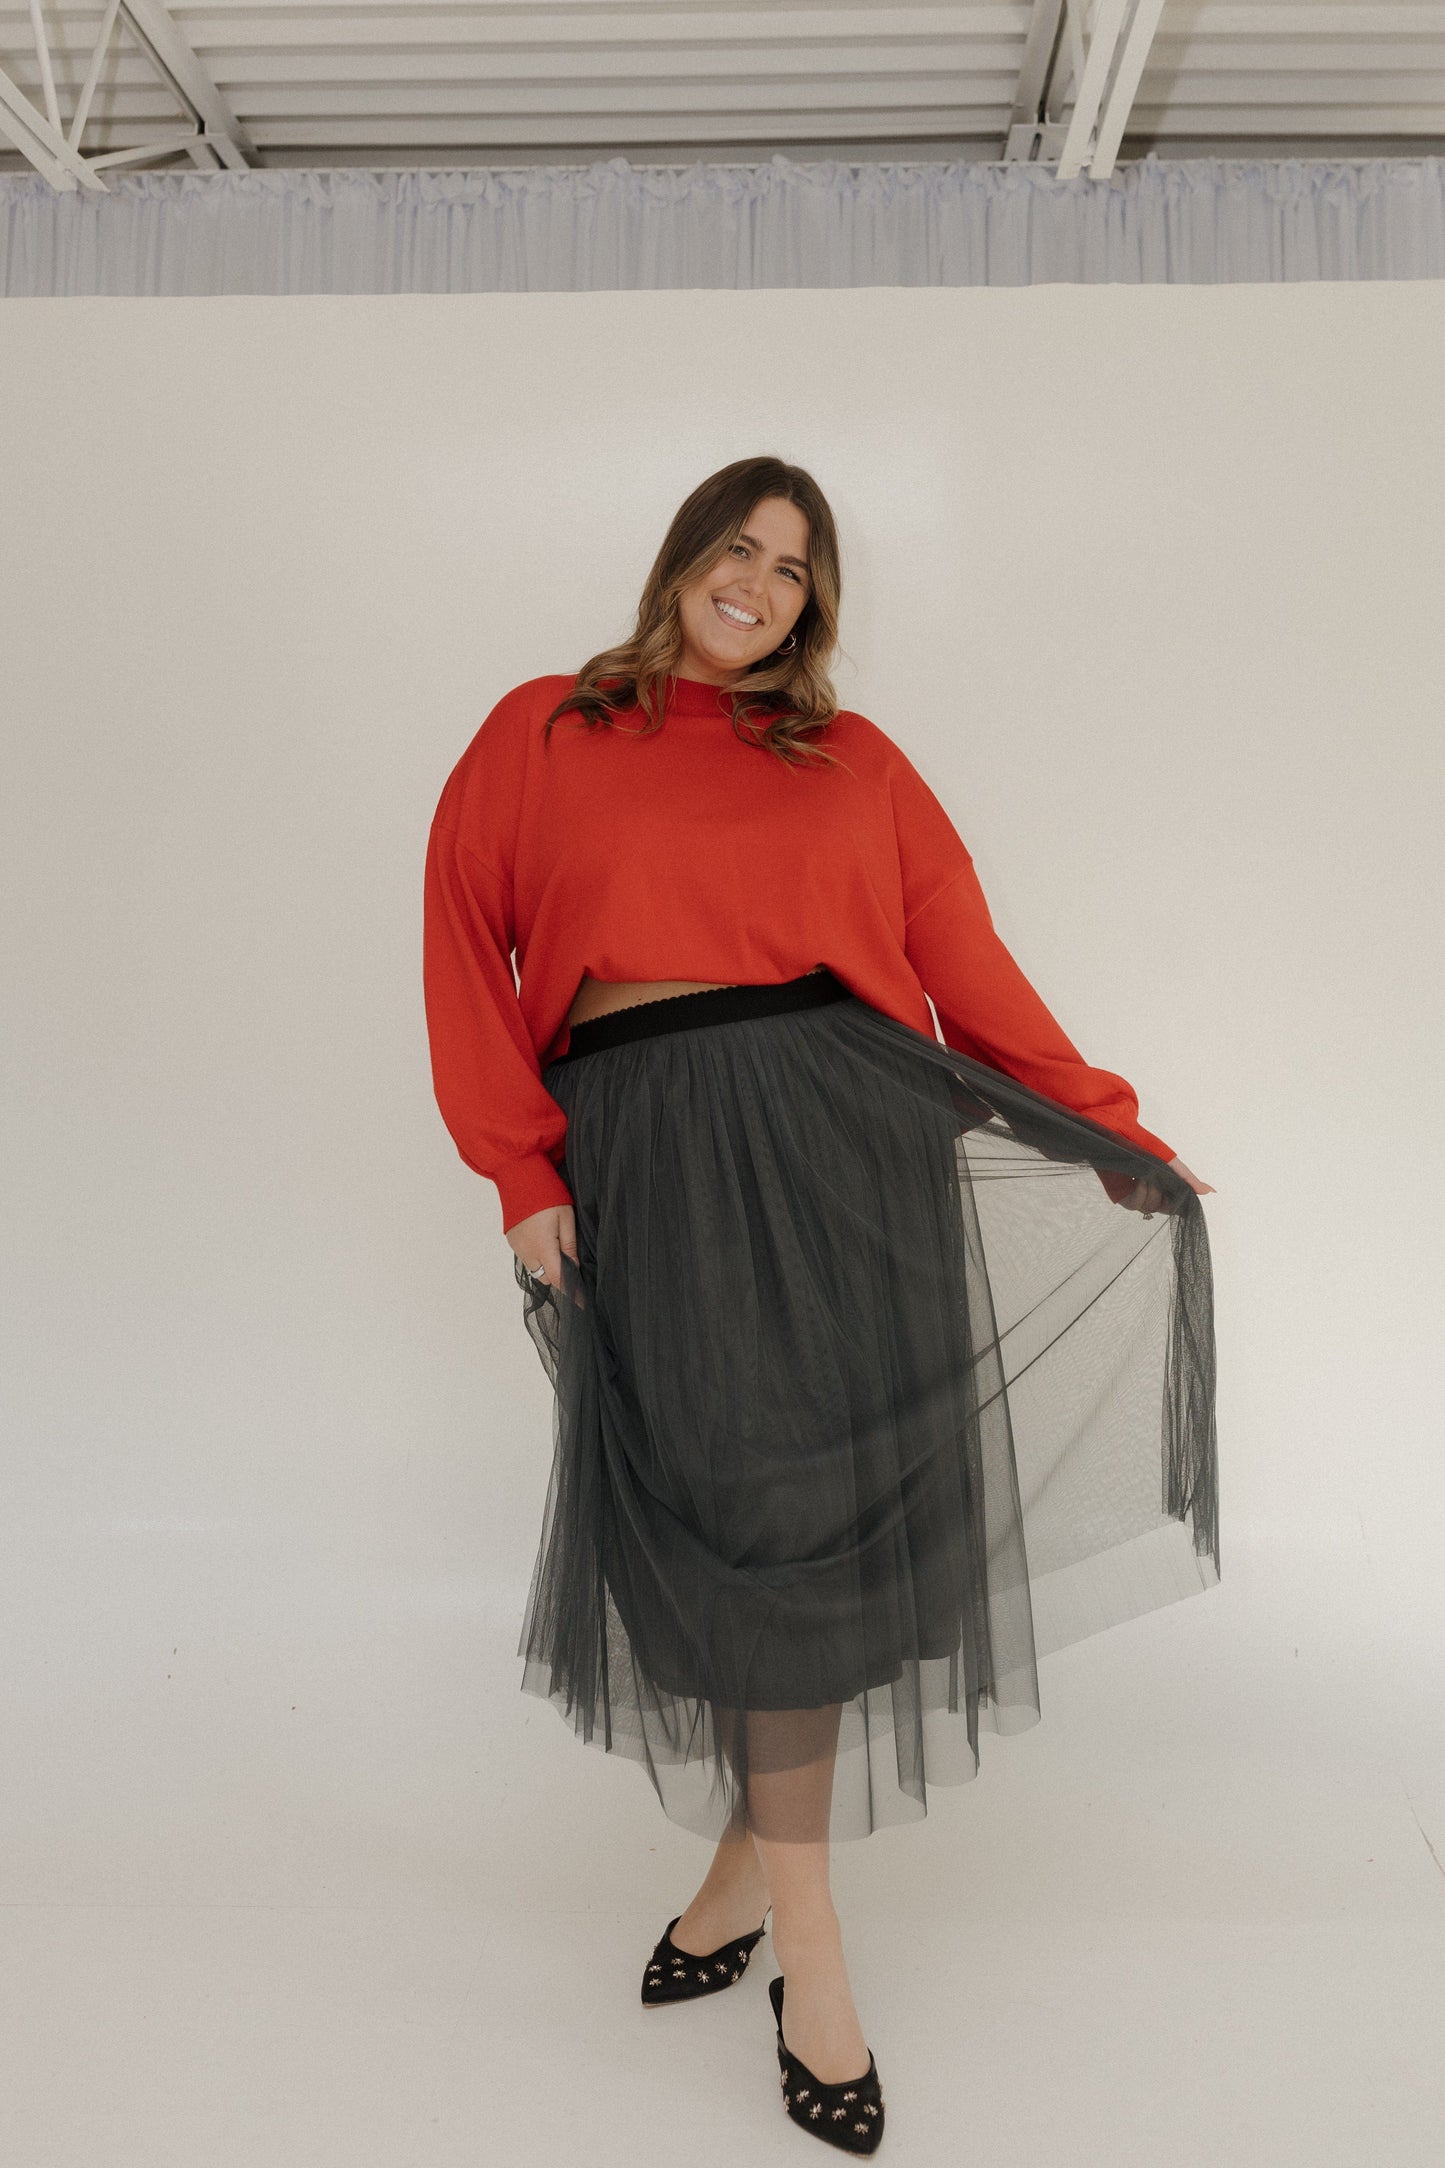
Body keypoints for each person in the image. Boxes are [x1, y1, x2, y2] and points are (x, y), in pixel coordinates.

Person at [422, 455, 1218, 2154]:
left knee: (818, 1535)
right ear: (681, 561)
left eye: (794, 570)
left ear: (813, 605)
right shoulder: (546, 729)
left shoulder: (851, 761)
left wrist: (1103, 1123)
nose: (760, 586)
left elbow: (963, 956)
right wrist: (524, 1173)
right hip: (654, 1150)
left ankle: (769, 1916)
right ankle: (797, 1934)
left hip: (850, 1140)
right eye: (738, 550)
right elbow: (458, 943)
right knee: (738, 1530)